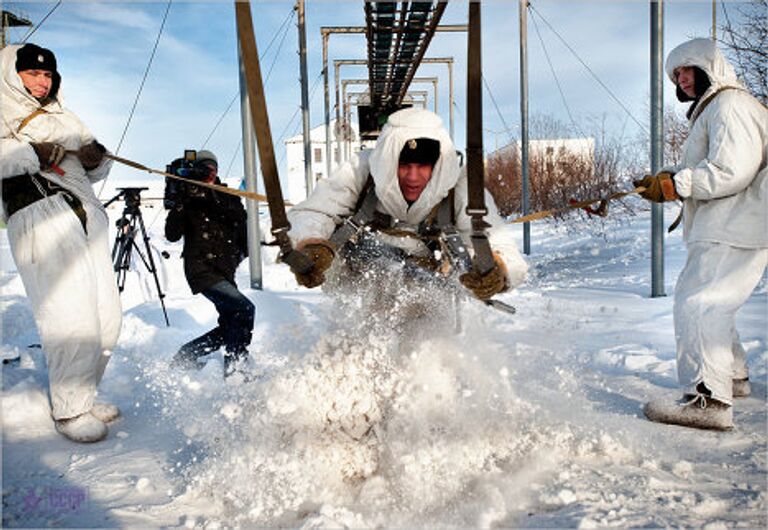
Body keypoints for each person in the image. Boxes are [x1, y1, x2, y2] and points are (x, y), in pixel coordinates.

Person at [636, 38, 767, 430]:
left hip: (732, 223)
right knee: (715, 303)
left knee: (700, 303)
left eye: (688, 69)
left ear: (709, 67)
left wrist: (679, 184)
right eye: (677, 74)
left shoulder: (730, 105)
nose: (683, 79)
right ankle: (733, 377)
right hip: (733, 222)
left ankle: (708, 398)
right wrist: (669, 182)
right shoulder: (720, 108)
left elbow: (732, 169)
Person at [287, 108, 527, 314]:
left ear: (438, 165)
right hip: (360, 288)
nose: (413, 177)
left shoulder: (462, 187)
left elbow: (504, 248)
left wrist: (498, 270)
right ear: (388, 161)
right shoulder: (361, 171)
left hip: (429, 290)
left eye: (423, 165)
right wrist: (311, 242)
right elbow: (314, 211)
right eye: (404, 165)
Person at [0, 43, 123, 443]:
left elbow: (94, 164)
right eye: (32, 74)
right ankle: (70, 411)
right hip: (39, 217)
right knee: (70, 318)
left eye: (48, 75)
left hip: (85, 217)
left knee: (107, 320)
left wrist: (94, 158)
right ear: (11, 73)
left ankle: (83, 395)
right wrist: (29, 153)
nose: (41, 81)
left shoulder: (64, 114)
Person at [165, 150, 255, 377]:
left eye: (212, 169)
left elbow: (243, 231)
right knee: (244, 309)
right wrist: (180, 202)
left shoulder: (228, 196)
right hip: (201, 269)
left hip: (225, 270)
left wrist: (236, 256)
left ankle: (186, 355)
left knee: (230, 326)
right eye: (204, 169)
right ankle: (236, 368)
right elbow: (172, 234)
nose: (209, 174)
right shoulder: (188, 198)